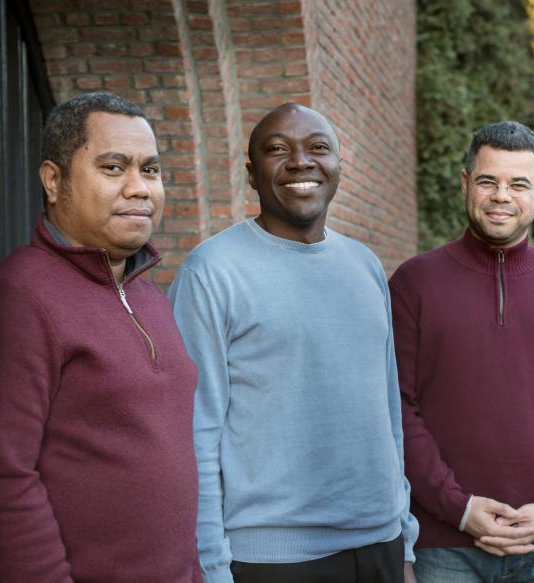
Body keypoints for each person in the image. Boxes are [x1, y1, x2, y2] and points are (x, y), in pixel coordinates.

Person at [168, 103, 419, 583]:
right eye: (278, 150)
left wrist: (403, 541)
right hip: (270, 559)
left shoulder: (365, 266)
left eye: (318, 148)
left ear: (338, 167)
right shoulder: (211, 272)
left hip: (380, 545)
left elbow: (388, 413)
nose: (301, 161)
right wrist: (213, 568)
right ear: (250, 174)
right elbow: (195, 433)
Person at [389, 121, 534, 582]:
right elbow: (396, 408)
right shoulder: (415, 284)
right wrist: (459, 508)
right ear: (465, 184)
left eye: (518, 184)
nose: (501, 196)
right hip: (446, 544)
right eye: (487, 181)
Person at [0, 92, 201, 583]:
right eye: (113, 168)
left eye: (150, 170)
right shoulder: (21, 294)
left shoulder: (149, 294)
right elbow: (8, 474)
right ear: (54, 180)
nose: (140, 188)